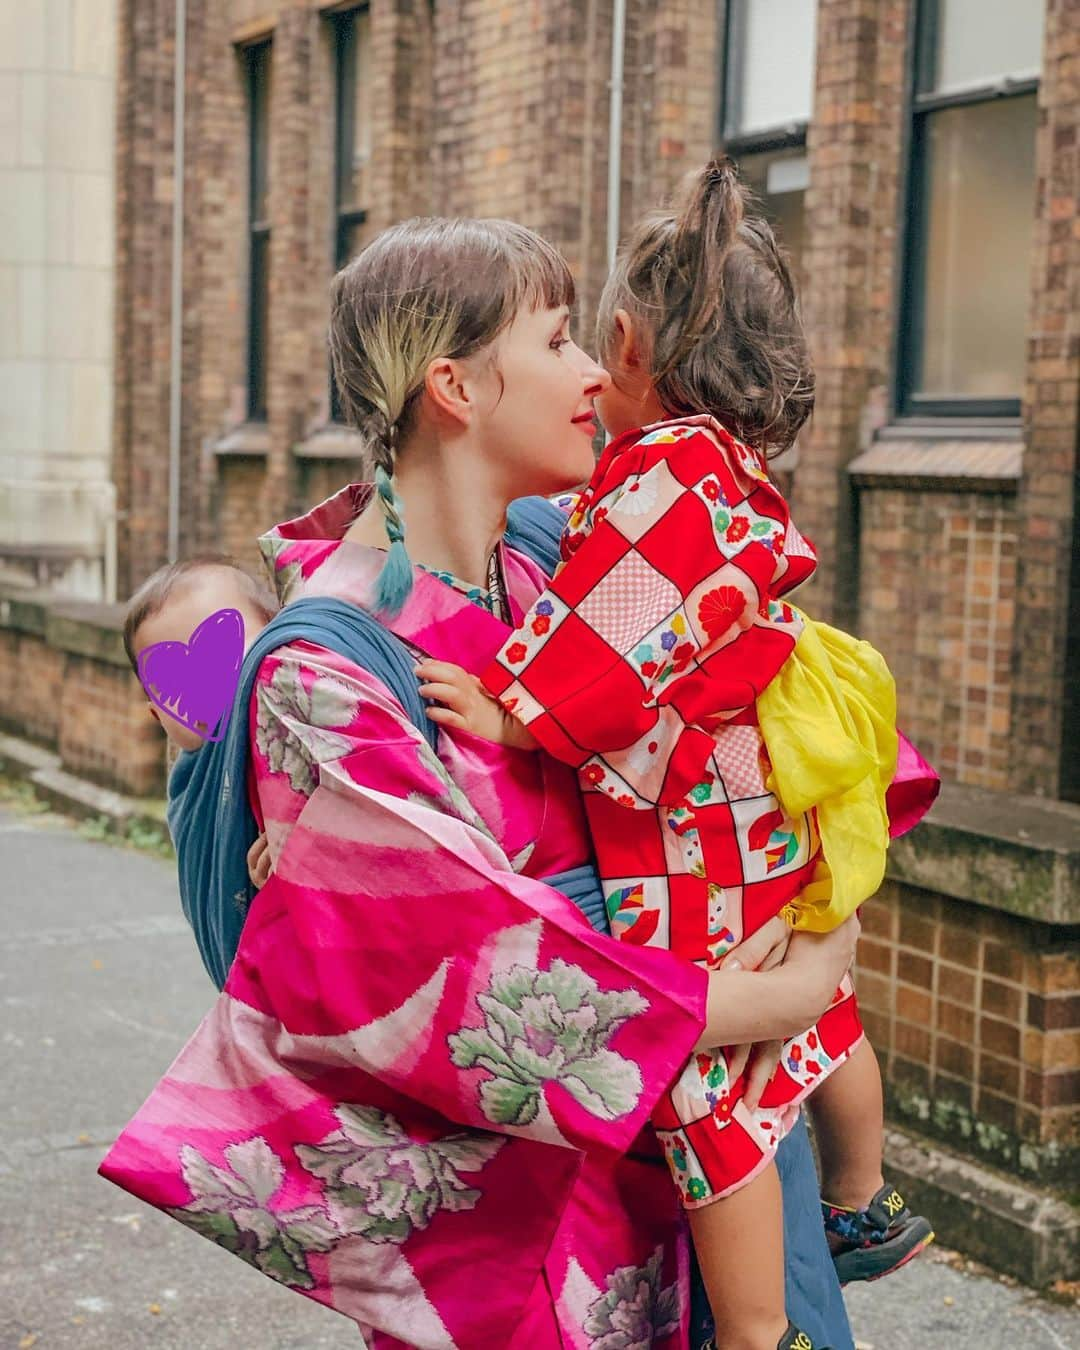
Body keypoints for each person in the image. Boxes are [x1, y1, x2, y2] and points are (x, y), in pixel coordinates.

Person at [101, 217, 860, 1350]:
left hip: (710, 1188)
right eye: (558, 340)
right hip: (527, 1267)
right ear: (452, 385)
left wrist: (823, 904)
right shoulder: (321, 672)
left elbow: (771, 710)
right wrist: (782, 996)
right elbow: (454, 964)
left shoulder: (561, 555)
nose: (596, 370)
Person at [415, 164, 933, 1350]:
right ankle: (865, 1200)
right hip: (755, 815)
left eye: (585, 340)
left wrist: (513, 711)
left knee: (715, 1102)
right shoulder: (730, 475)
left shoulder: (661, 477)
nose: (592, 375)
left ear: (634, 344)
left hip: (693, 833)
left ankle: (765, 1333)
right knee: (811, 1019)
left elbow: (612, 639)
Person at [123, 554, 276, 887]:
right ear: (158, 716)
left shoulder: (311, 716)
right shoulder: (192, 788)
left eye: (225, 656)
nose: (207, 689)